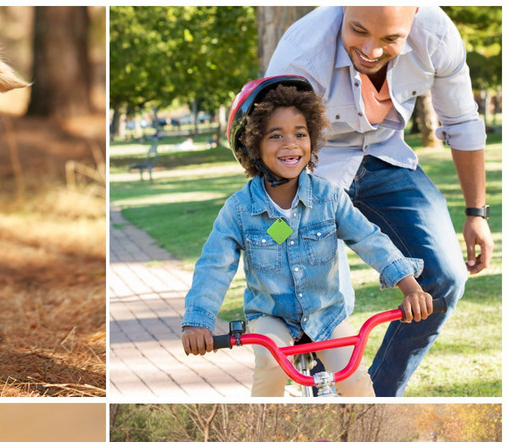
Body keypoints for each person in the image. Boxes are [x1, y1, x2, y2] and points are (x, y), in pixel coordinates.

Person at [266, 7, 493, 396]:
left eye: (391, 39)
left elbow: (462, 123)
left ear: (414, 17)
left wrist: (477, 214)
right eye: (358, 31)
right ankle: (323, 389)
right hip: (311, 169)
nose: (371, 50)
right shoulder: (301, 55)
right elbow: (269, 148)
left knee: (445, 278)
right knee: (318, 298)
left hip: (386, 155)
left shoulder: (436, 37)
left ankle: (378, 396)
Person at [181, 76, 432, 397]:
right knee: (271, 367)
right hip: (271, 317)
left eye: (300, 134)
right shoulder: (240, 210)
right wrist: (197, 322)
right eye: (275, 135)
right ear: (251, 144)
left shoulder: (329, 199)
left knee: (355, 380)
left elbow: (369, 239)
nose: (291, 144)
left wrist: (410, 287)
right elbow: (213, 267)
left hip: (325, 314)